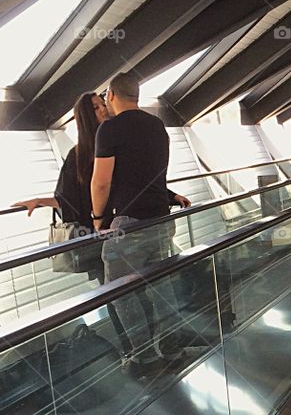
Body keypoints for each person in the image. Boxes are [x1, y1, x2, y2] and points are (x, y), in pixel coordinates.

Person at [14, 91, 191, 287]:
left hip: (123, 228)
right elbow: (69, 197)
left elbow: (135, 182)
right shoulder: (78, 155)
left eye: (102, 104)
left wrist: (171, 196)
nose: (103, 110)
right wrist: (40, 201)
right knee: (114, 290)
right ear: (86, 117)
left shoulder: (115, 142)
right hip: (99, 234)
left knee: (132, 287)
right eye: (96, 108)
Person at [90, 71, 194, 371]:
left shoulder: (109, 130)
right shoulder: (157, 125)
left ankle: (144, 356)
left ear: (111, 95)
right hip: (161, 219)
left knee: (120, 291)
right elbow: (154, 174)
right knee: (164, 287)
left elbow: (100, 183)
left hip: (129, 225)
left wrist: (98, 220)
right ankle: (170, 349)